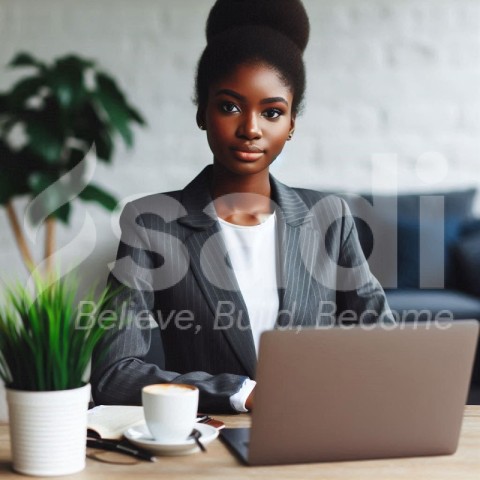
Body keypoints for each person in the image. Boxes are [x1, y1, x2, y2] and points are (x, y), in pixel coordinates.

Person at [91, 0, 393, 413]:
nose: (251, 128)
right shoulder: (153, 224)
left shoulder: (330, 218)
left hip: (317, 435)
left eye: (272, 112)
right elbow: (113, 374)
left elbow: (384, 345)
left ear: (291, 126)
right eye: (230, 106)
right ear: (202, 112)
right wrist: (239, 392)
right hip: (210, 445)